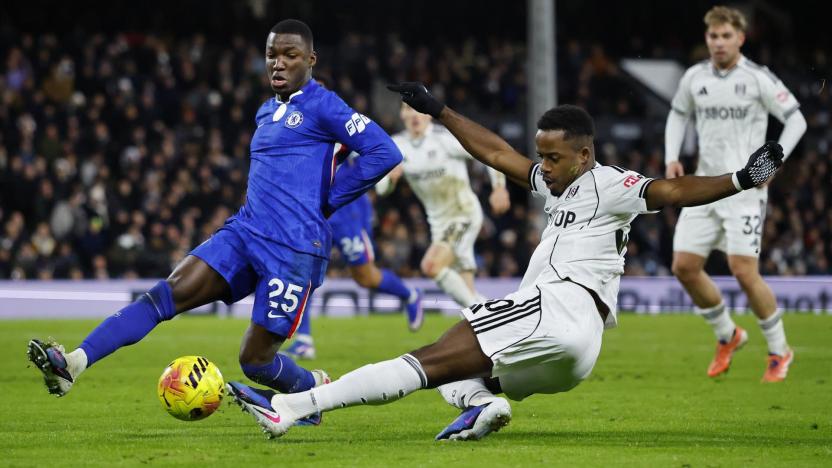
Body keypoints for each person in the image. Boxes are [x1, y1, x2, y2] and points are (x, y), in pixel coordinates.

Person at [224, 83, 784, 441]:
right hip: (574, 354)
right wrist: (440, 109)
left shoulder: (613, 184)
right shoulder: (557, 184)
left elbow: (673, 191)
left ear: (585, 154)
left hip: (558, 308)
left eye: (554, 157)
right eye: (542, 155)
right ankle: (484, 406)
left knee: (426, 360)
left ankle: (294, 406)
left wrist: (742, 178)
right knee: (453, 378)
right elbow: (495, 153)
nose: (545, 166)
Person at [27, 19, 402, 413]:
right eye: (272, 55)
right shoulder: (266, 111)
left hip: (293, 249)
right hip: (245, 232)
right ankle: (73, 364)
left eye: (289, 55)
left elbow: (384, 152)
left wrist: (326, 201)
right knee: (163, 296)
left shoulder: (325, 105)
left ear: (310, 60)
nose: (278, 63)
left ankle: (313, 390)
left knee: (255, 362)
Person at [664, 6, 806, 382]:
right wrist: (672, 157)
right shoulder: (694, 77)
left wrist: (773, 163)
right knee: (684, 267)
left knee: (743, 271)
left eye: (726, 36)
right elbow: (678, 114)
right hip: (703, 186)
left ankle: (779, 350)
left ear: (740, 38)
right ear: (707, 38)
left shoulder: (757, 77)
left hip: (744, 191)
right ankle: (728, 335)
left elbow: (796, 119)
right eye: (713, 36)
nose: (719, 43)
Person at [285, 146, 424, 360]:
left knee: (366, 277)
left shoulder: (347, 135)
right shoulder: (309, 140)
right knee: (304, 275)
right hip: (318, 217)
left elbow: (376, 155)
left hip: (348, 218)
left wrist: (391, 173)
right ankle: (304, 340)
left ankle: (410, 295)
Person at [375, 103, 511, 309]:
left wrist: (499, 187)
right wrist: (391, 180)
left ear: (428, 115)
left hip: (463, 213)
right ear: (402, 114)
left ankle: (481, 312)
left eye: (418, 109)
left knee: (431, 265)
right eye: (408, 109)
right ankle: (485, 313)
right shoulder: (397, 146)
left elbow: (487, 151)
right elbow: (381, 189)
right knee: (465, 286)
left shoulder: (445, 139)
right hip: (438, 223)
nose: (414, 115)